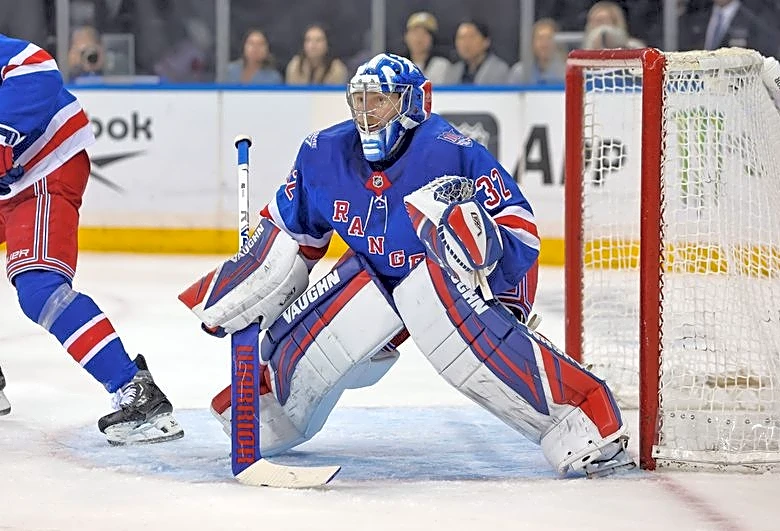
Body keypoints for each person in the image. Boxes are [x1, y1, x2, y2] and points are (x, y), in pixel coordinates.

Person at [180, 53, 635, 478]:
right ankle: (271, 412)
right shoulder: (323, 154)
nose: (366, 112)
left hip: (458, 282)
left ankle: (582, 417)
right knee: (341, 308)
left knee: (430, 298)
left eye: (379, 100)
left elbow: (520, 232)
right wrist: (247, 284)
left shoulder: (450, 151)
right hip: (378, 278)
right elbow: (290, 237)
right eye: (358, 100)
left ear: (413, 102)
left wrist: (484, 262)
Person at [0, 34, 182, 445]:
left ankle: (138, 393)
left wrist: (2, 134)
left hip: (47, 167)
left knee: (40, 291)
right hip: (7, 183)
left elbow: (38, 67)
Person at [445, 20, 509, 85]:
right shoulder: (454, 71)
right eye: (461, 38)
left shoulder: (499, 69)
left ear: (486, 42)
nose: (465, 43)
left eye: (471, 37)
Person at [508, 18, 566, 85]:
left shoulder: (565, 73)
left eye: (549, 38)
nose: (544, 44)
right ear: (532, 43)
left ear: (557, 43)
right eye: (540, 38)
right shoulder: (519, 72)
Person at [402, 11, 450, 85]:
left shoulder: (441, 65)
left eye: (424, 33)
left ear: (432, 39)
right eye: (415, 32)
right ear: (406, 37)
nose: (419, 38)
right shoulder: (398, 66)